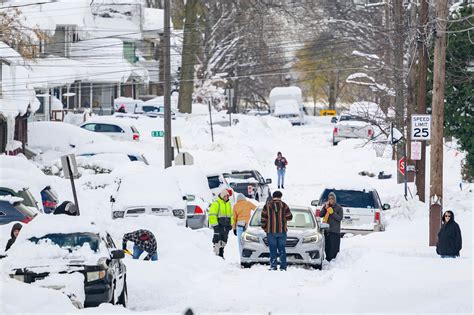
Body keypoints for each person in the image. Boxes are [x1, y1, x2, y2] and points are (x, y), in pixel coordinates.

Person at [261, 191, 293, 271]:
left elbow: (263, 219)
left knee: (272, 249)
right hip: (282, 231)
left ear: (273, 196)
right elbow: (290, 217)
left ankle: (273, 266)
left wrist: (265, 228)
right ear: (280, 197)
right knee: (282, 249)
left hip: (271, 232)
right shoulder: (284, 205)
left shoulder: (267, 206)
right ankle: (283, 267)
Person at [209, 189, 234, 258]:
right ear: (222, 196)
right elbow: (212, 215)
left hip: (226, 227)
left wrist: (231, 224)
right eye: (226, 196)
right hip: (219, 226)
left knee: (224, 241)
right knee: (217, 241)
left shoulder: (228, 204)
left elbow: (231, 215)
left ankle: (221, 253)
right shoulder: (216, 203)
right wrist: (215, 225)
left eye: (228, 196)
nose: (227, 198)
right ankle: (217, 256)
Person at [319, 192, 343, 262]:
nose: (331, 200)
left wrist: (332, 212)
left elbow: (339, 218)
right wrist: (325, 208)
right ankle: (328, 260)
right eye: (329, 199)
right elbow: (320, 215)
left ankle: (334, 262)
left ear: (335, 199)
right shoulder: (326, 206)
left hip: (335, 231)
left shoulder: (339, 208)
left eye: (332, 199)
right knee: (327, 247)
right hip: (327, 230)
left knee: (334, 248)